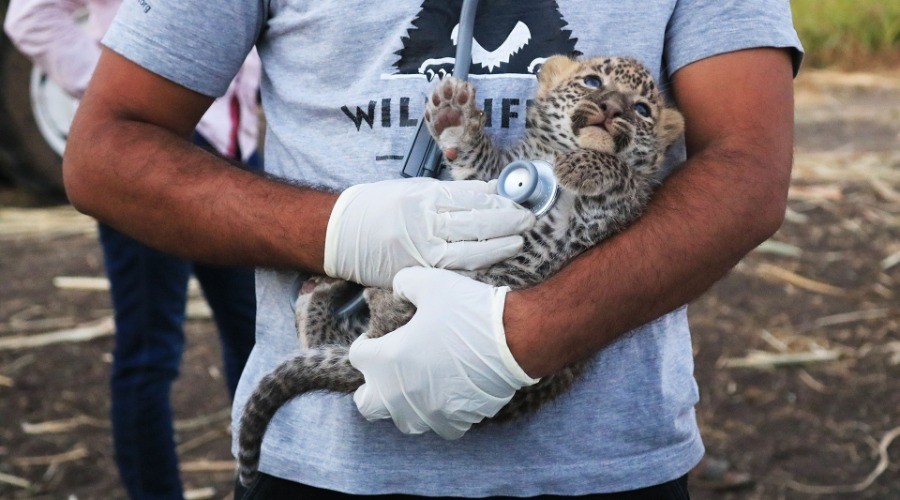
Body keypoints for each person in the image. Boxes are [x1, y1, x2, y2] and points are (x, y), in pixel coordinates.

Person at [61, 1, 803, 498]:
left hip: (605, 466)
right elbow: (106, 149)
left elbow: (748, 164)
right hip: (329, 464)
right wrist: (339, 230)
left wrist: (528, 337)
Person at [4, 1, 262, 498]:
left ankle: (255, 484)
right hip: (148, 151)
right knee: (150, 349)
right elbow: (29, 16)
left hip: (237, 151)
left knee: (255, 337)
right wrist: (112, 94)